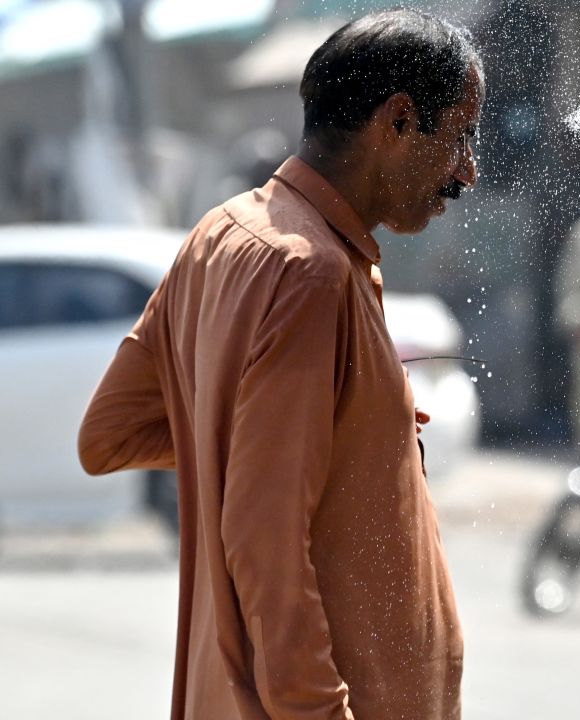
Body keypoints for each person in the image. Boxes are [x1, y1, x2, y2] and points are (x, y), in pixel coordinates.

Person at [77, 10, 482, 719]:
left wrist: (334, 432)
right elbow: (265, 542)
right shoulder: (310, 272)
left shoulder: (224, 232)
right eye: (461, 134)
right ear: (397, 121)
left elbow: (111, 432)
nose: (467, 171)